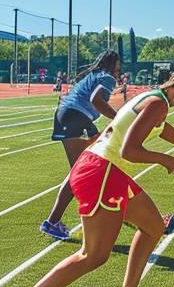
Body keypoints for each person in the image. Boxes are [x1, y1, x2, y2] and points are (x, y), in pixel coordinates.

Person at [0, 60, 174, 287]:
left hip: (106, 170)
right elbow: (130, 150)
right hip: (101, 171)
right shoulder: (157, 104)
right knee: (94, 255)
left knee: (152, 226)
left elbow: (160, 127)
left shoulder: (156, 99)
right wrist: (164, 159)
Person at [38, 51, 122, 241]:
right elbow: (96, 100)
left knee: (87, 168)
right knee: (82, 171)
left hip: (71, 116)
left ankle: (55, 221)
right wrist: (118, 119)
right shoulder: (107, 78)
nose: (119, 69)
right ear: (113, 64)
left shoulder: (95, 75)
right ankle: (53, 222)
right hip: (75, 117)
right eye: (118, 65)